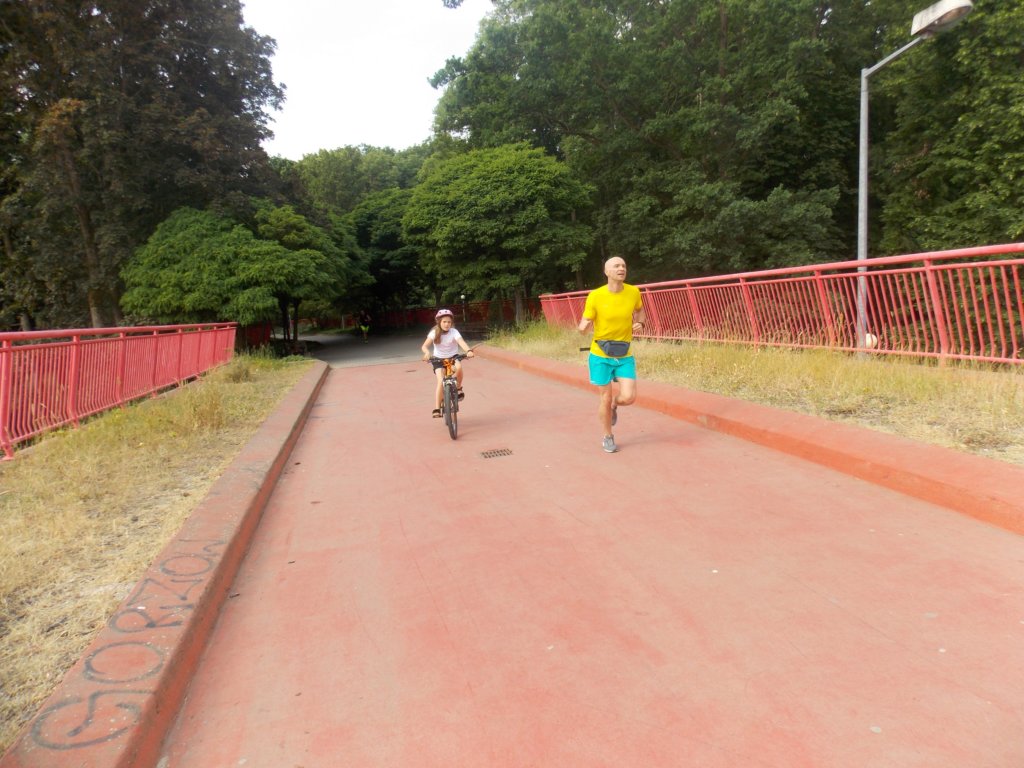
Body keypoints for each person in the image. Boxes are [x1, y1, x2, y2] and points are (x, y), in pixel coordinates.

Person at [577, 256, 647, 453]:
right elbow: (584, 324)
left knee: (629, 397)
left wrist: (640, 323)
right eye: (616, 266)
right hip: (600, 354)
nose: (621, 268)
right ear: (607, 272)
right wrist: (583, 328)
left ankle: (616, 405)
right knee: (605, 398)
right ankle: (608, 436)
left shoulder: (633, 292)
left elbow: (640, 311)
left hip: (624, 354)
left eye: (623, 265)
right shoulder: (596, 296)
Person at [421, 308, 475, 418]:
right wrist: (427, 353)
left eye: (449, 322)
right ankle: (437, 408)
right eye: (444, 322)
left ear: (452, 323)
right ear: (439, 322)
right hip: (438, 360)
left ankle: (458, 388)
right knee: (440, 381)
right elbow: (424, 346)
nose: (447, 324)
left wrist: (468, 351)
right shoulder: (434, 332)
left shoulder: (454, 332)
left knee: (458, 368)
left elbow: (461, 342)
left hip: (452, 358)